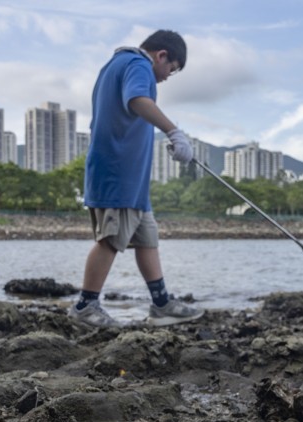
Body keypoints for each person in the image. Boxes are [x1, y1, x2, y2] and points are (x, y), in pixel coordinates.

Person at [69, 29, 204, 328]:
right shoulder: (137, 64)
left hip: (133, 181)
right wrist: (173, 131)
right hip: (117, 174)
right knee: (110, 240)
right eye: (171, 69)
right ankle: (85, 306)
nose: (168, 76)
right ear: (162, 55)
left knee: (147, 238)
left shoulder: (116, 65)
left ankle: (161, 304)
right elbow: (138, 99)